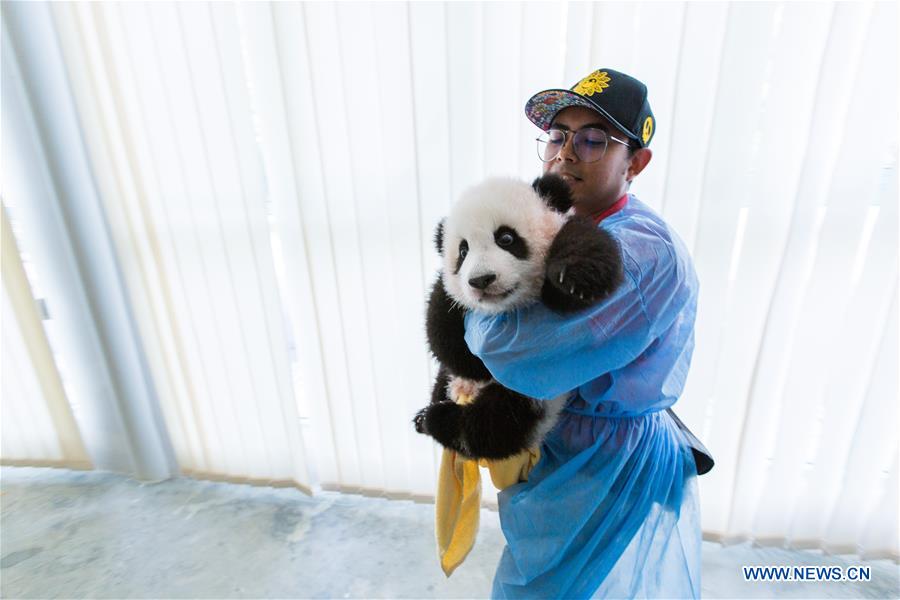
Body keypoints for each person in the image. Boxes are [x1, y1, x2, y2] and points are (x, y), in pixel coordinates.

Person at [463, 68, 712, 598]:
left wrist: (467, 303)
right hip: (563, 444)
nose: (565, 153)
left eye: (594, 139)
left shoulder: (639, 253)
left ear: (636, 162)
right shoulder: (566, 225)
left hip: (604, 457)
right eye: (556, 135)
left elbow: (508, 347)